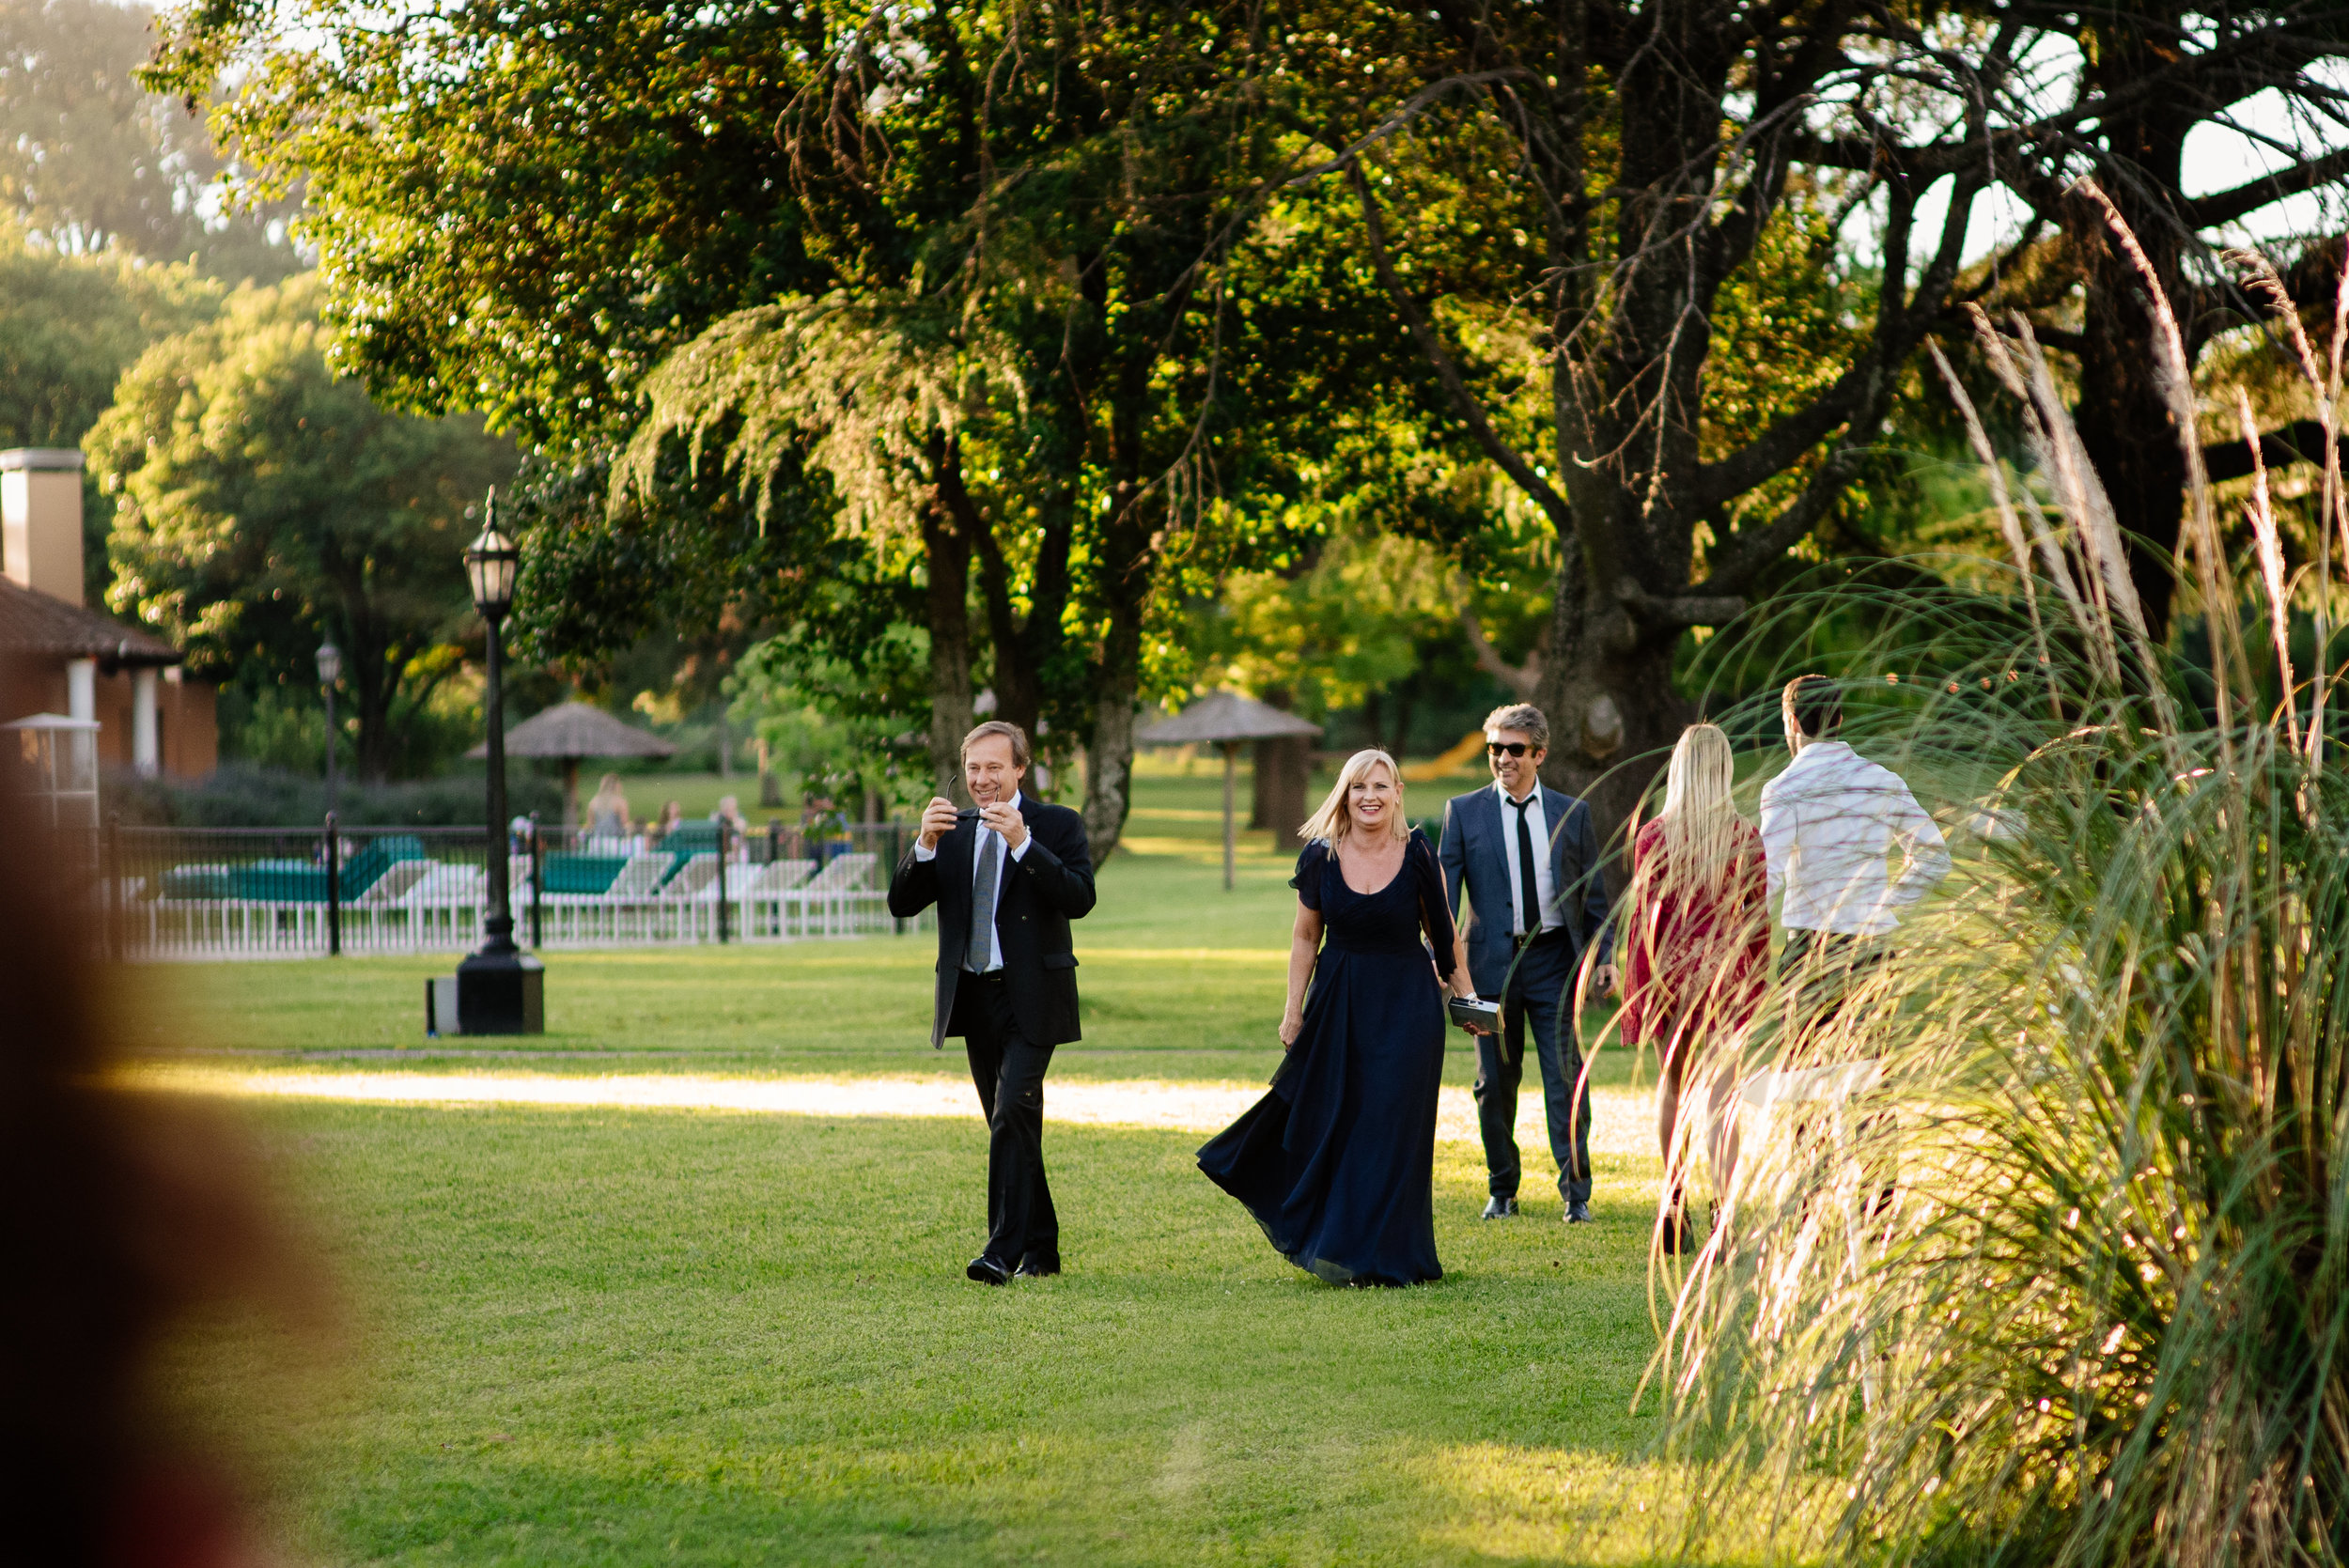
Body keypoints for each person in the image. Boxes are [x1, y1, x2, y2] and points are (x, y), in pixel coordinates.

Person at [1197, 749, 1472, 1286]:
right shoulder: (1320, 857)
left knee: (1394, 1128)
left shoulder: (1417, 851)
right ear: (1344, 794)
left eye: (1381, 785)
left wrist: (1469, 1002)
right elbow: (1305, 937)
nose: (1369, 796)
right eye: (1358, 786)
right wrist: (1291, 1011)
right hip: (1338, 1004)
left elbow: (1445, 938)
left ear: (1397, 794)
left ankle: (1395, 1257)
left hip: (1408, 1008)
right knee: (1339, 1121)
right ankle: (1344, 1247)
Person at [886, 722, 1097, 1286]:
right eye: (973, 768)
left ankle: (1001, 1253)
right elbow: (901, 904)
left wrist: (1023, 844)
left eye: (995, 767)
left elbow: (1080, 898)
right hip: (973, 997)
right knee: (1014, 1125)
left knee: (1011, 1113)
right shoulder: (949, 833)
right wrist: (923, 847)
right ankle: (1043, 1252)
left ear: (1020, 769)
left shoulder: (1057, 824)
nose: (982, 780)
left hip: (1034, 997)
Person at [1438, 704, 1616, 1224]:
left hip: (1555, 963)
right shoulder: (1462, 812)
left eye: (1514, 749)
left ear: (1539, 753)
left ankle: (1575, 1194)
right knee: (1493, 1082)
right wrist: (1443, 963)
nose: (1502, 758)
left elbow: (1595, 898)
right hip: (1488, 967)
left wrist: (1603, 957)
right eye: (1494, 748)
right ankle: (1502, 1189)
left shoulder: (1571, 813)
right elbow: (1445, 899)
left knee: (1566, 1077)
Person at [1619, 723, 1768, 1252]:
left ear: (1677, 769)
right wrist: (1761, 980)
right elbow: (1758, 921)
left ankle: (1673, 1204)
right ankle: (1724, 1216)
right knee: (1722, 1100)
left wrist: (1643, 989)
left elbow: (1645, 922)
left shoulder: (1653, 835)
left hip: (1670, 975)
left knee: (1674, 1087)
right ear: (1724, 770)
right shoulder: (1745, 836)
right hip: (1727, 978)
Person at [1758, 675, 1951, 1011]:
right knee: (1870, 1058)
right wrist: (1888, 903)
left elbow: (1768, 876)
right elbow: (1934, 855)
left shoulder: (1783, 788)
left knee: (1810, 1059)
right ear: (1840, 719)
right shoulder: (1881, 780)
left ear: (1792, 721)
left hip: (1811, 947)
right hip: (1871, 944)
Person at [585, 773, 632, 847]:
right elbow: (624, 823)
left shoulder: (593, 801)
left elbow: (590, 824)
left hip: (596, 840)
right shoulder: (620, 801)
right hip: (614, 841)